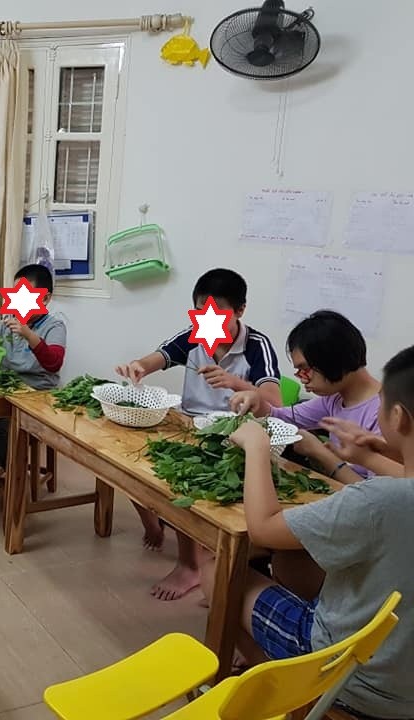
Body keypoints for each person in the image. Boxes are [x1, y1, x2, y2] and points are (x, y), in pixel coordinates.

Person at [200, 345, 414, 720]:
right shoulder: (391, 493)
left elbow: (263, 528)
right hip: (402, 673)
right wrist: (370, 455)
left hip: (355, 676)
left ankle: (287, 696)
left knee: (217, 569)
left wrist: (256, 447)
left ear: (398, 417)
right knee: (292, 560)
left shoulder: (379, 499)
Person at [115, 269, 282, 601]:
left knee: (184, 484)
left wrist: (235, 383)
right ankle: (157, 525)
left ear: (240, 310)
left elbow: (274, 402)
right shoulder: (194, 336)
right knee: (131, 463)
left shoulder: (256, 345)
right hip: (190, 425)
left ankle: (190, 565)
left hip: (236, 435)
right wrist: (138, 366)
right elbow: (157, 359)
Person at [231, 310, 381, 483]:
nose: (302, 378)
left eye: (305, 369)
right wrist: (258, 402)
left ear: (333, 358)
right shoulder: (335, 398)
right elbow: (283, 417)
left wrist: (319, 453)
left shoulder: (383, 413)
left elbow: (377, 494)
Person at [0, 263, 66, 467]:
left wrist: (28, 334)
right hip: (8, 391)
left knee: (5, 429)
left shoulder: (54, 326)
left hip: (38, 396)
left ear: (44, 299)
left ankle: (16, 476)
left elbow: (54, 363)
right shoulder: (10, 321)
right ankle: (6, 468)